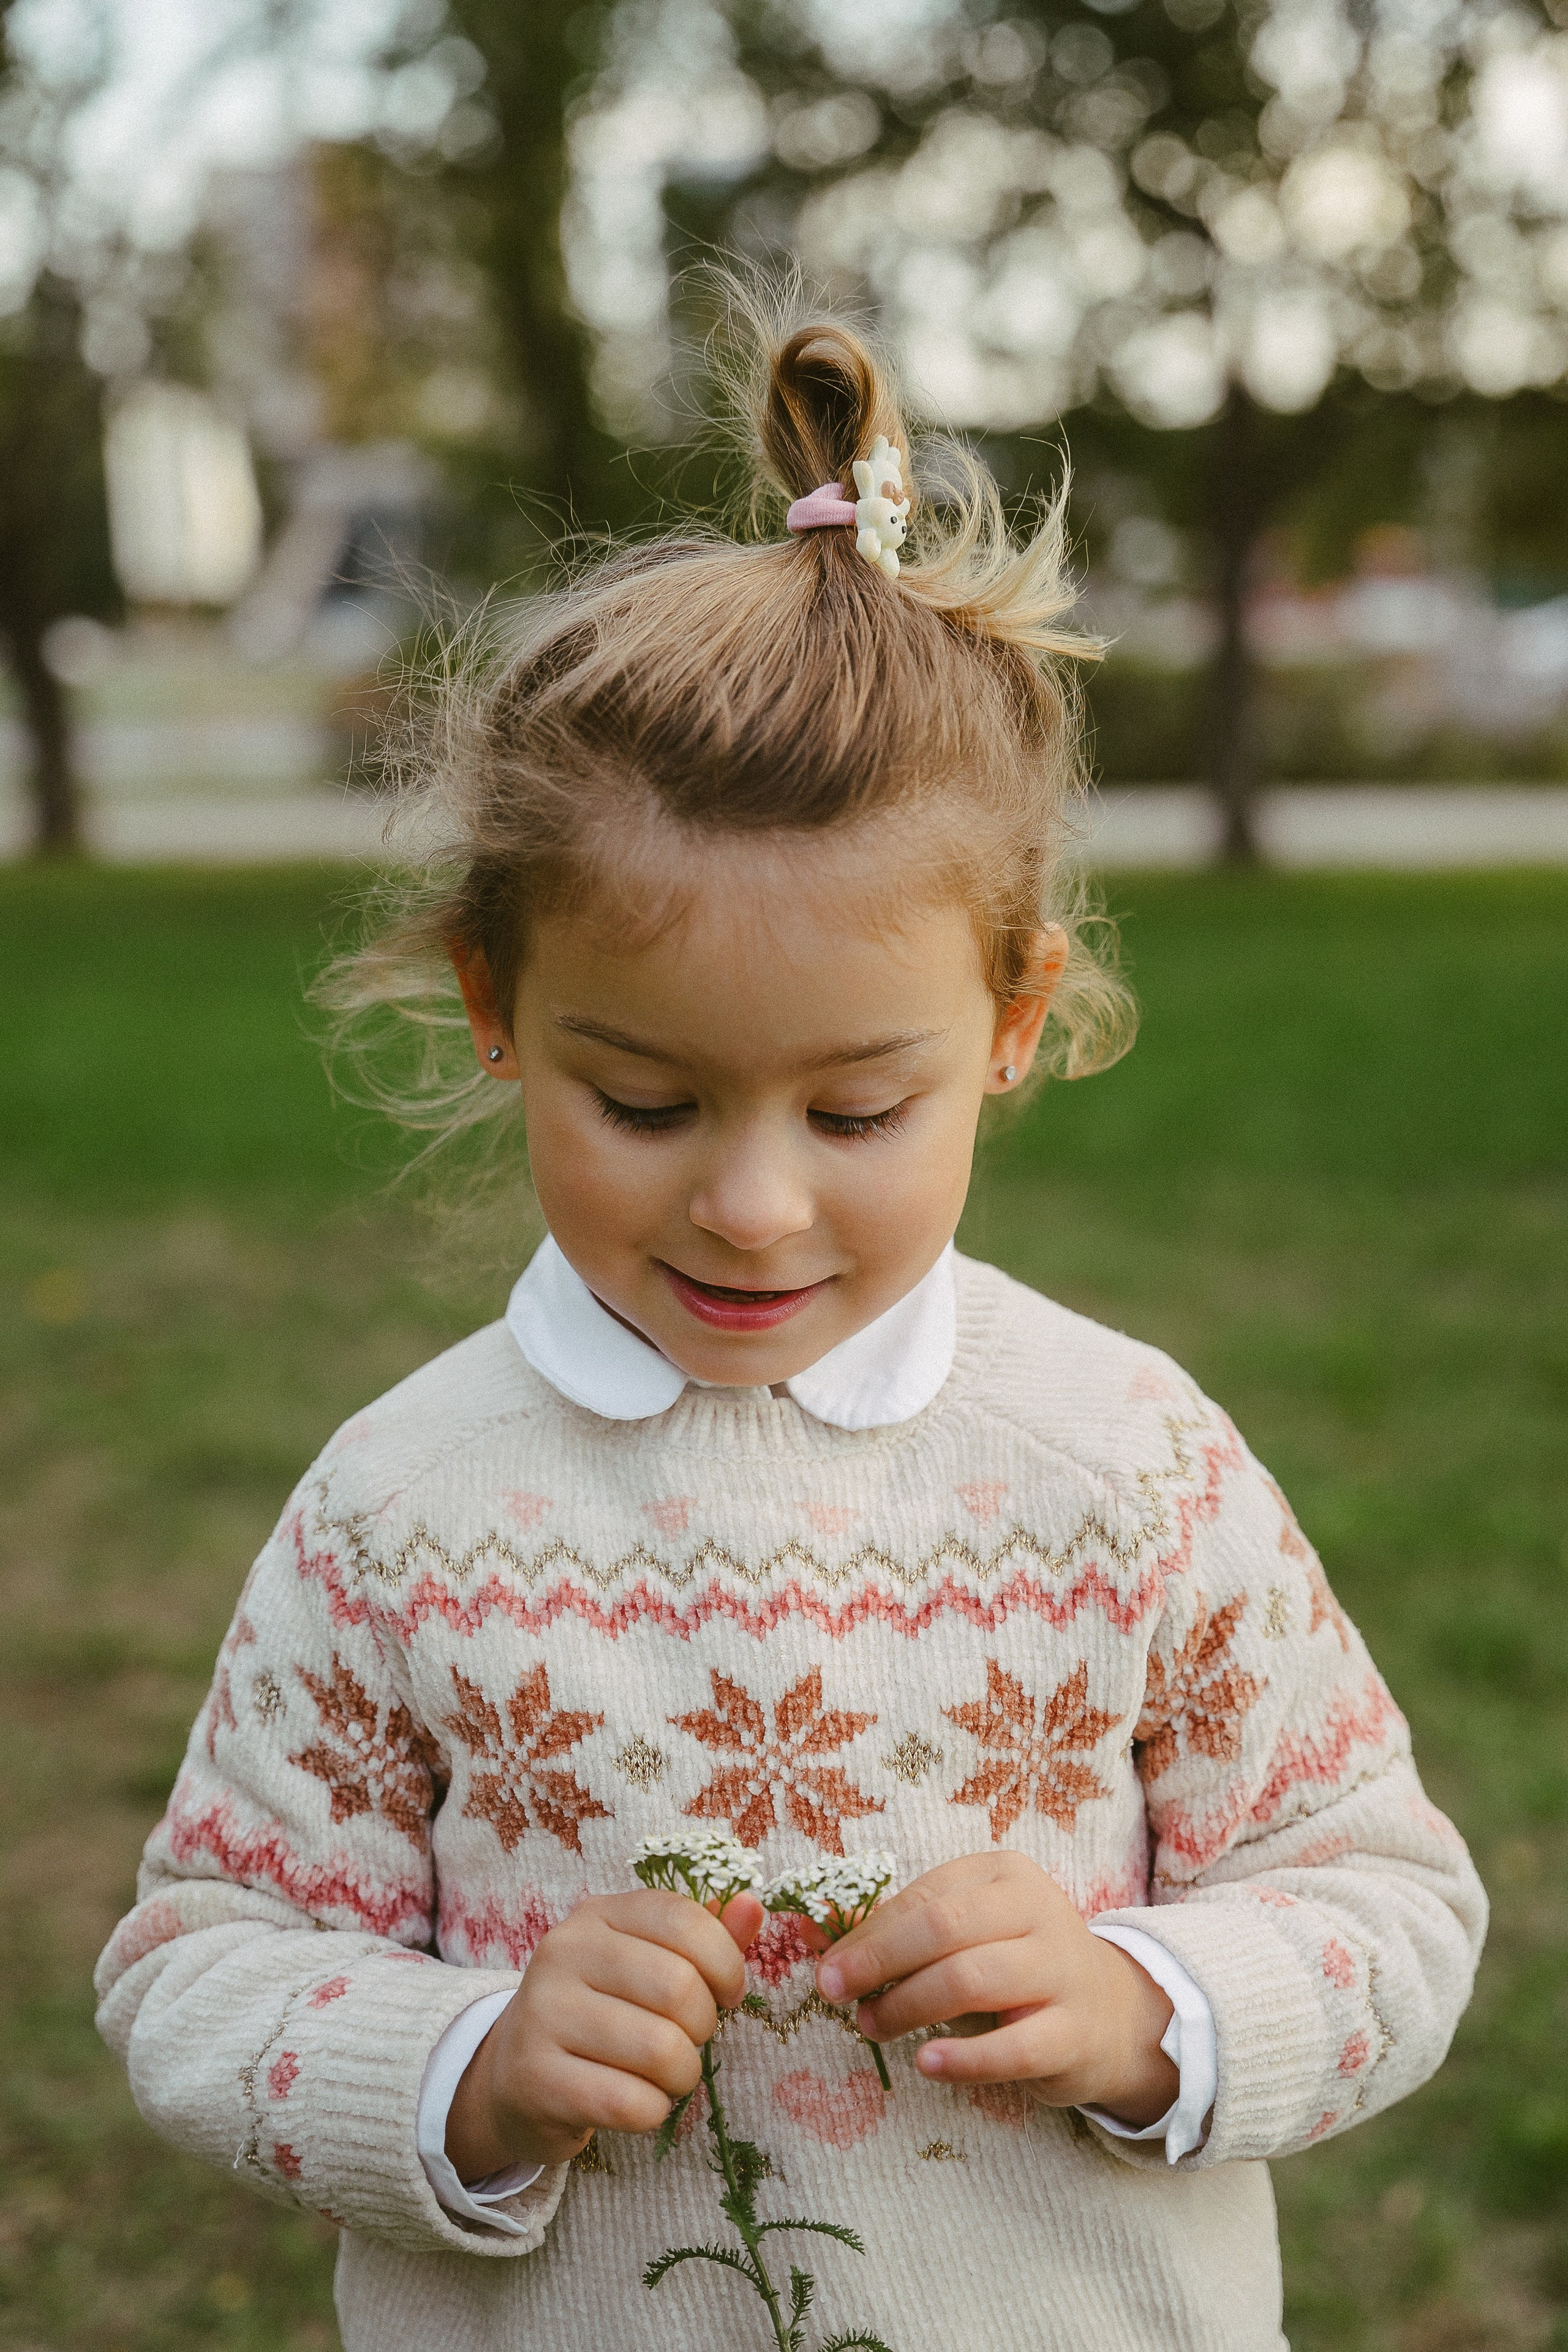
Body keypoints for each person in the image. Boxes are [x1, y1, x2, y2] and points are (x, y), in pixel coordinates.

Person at [95, 298, 1485, 2352]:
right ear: (498, 1010)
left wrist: (1148, 2007)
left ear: (1011, 1026)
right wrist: (461, 2061)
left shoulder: (1125, 1459)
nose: (751, 1202)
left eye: (857, 1110)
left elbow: (1389, 1903)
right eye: (642, 1102)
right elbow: (197, 1964)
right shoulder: (403, 1508)